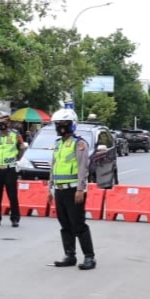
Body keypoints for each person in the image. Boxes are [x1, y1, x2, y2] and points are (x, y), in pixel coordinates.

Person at [48, 108, 96, 270]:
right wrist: (50, 188)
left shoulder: (79, 143)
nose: (61, 127)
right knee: (65, 224)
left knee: (78, 224)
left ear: (72, 124)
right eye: (58, 124)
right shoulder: (58, 144)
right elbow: (53, 167)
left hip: (74, 190)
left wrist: (81, 189)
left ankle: (89, 257)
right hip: (60, 190)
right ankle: (70, 255)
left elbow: (83, 167)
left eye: (64, 124)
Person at [0, 112, 24, 227]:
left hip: (10, 168)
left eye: (3, 122)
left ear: (8, 122)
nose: (1, 125)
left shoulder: (15, 134)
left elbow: (21, 148)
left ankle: (15, 218)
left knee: (12, 194)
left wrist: (18, 161)